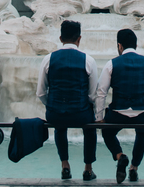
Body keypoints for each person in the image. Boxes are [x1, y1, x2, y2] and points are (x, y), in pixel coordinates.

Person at [95, 28, 144, 183]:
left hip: (117, 113)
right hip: (142, 113)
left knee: (107, 132)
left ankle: (120, 156)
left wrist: (99, 117)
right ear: (136, 45)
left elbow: (101, 92)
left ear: (119, 46)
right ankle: (134, 168)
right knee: (142, 134)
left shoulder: (111, 64)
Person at [37, 20, 99, 180]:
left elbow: (41, 93)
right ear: (79, 39)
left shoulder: (48, 59)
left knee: (60, 125)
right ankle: (88, 169)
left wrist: (51, 105)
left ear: (60, 38)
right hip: (81, 113)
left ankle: (65, 165)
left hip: (55, 113)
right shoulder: (89, 60)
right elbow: (93, 96)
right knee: (90, 128)